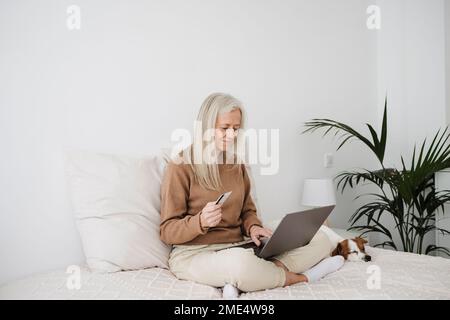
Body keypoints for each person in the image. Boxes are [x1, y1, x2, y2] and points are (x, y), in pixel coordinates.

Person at [160, 92, 344, 297]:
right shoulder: (181, 166)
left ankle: (257, 276)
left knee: (321, 239)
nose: (232, 135)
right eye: (225, 128)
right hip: (194, 254)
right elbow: (167, 231)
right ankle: (302, 277)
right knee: (241, 263)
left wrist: (254, 226)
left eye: (236, 129)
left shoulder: (236, 165)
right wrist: (200, 221)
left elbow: (248, 210)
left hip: (240, 245)